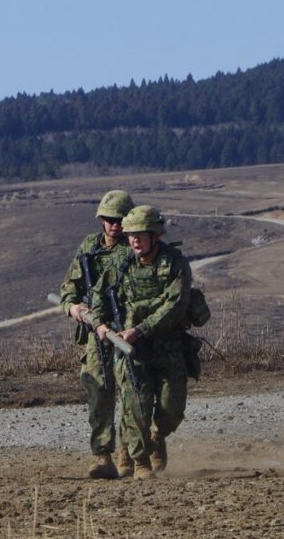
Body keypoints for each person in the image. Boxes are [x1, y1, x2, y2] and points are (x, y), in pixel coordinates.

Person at [90, 205, 192, 480]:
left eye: (140, 235)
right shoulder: (121, 265)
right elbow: (98, 297)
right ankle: (140, 461)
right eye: (131, 235)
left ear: (154, 235)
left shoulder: (174, 263)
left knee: (171, 410)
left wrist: (141, 329)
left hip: (167, 346)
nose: (134, 240)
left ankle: (157, 437)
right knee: (136, 405)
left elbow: (176, 304)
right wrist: (100, 324)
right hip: (131, 349)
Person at [58, 189, 135, 479]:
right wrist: (74, 307)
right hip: (96, 332)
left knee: (131, 391)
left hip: (128, 330)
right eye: (110, 219)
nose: (115, 225)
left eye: (120, 219)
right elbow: (69, 288)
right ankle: (102, 455)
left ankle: (129, 452)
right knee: (99, 392)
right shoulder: (90, 246)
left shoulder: (136, 247)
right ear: (102, 220)